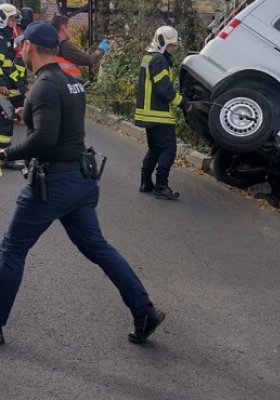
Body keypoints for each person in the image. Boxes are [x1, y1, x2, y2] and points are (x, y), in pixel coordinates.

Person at [0, 22, 164, 346]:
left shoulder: (45, 85)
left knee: (12, 249)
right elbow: (58, 124)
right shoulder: (68, 81)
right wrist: (26, 112)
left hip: (54, 184)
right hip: (80, 180)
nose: (19, 48)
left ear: (30, 47)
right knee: (98, 248)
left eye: (22, 44)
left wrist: (6, 153)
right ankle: (144, 310)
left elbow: (45, 140)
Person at [134, 26, 191, 200]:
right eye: (171, 45)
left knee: (155, 149)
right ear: (162, 42)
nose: (173, 49)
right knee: (168, 149)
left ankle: (145, 183)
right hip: (157, 114)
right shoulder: (159, 60)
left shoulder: (148, 57)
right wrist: (184, 104)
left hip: (146, 113)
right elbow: (164, 90)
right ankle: (161, 186)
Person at [0, 4, 26, 171]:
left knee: (5, 122)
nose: (15, 22)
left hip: (10, 87)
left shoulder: (8, 38)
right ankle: (5, 158)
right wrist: (1, 83)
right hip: (4, 90)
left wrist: (23, 83)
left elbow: (14, 64)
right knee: (5, 124)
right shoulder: (2, 39)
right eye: (12, 18)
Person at [50, 14, 109, 80]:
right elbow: (89, 60)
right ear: (63, 27)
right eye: (69, 26)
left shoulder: (51, 46)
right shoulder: (64, 46)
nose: (71, 30)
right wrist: (101, 49)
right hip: (69, 85)